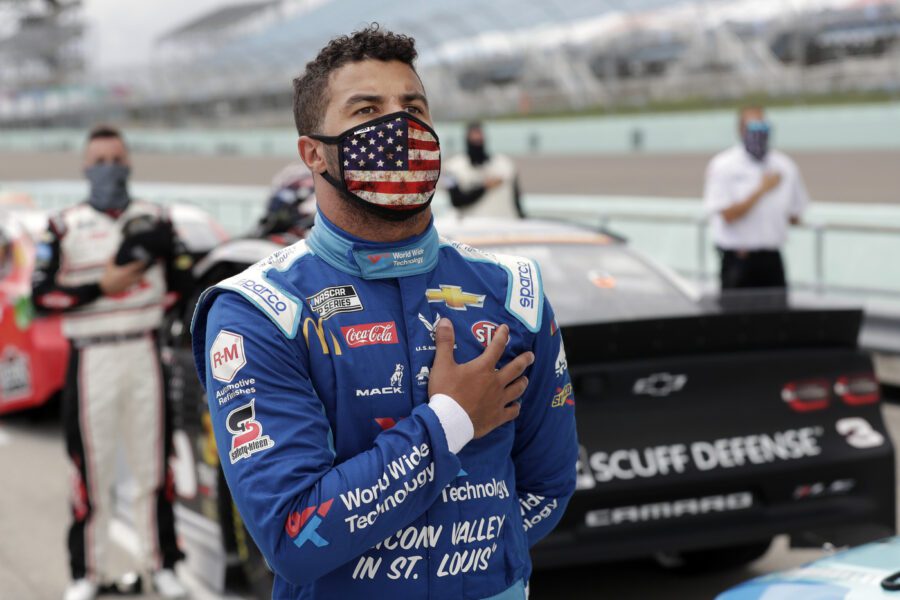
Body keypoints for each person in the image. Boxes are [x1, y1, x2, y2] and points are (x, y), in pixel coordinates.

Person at [191, 25, 577, 600]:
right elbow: (293, 537)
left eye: (412, 107)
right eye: (367, 109)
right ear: (313, 153)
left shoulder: (513, 289)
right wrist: (451, 420)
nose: (399, 126)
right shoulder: (259, 313)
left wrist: (468, 561)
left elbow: (549, 483)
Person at [31, 126, 189, 600]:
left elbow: (182, 280)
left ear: (128, 162)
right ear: (84, 166)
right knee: (89, 471)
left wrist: (146, 273)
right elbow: (41, 296)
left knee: (153, 467)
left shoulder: (156, 218)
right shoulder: (62, 225)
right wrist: (104, 286)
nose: (108, 168)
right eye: (98, 160)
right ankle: (86, 573)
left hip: (143, 349)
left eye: (115, 159)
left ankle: (161, 564)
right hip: (90, 357)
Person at [703, 106, 811, 290]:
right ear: (741, 130)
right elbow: (727, 214)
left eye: (764, 129)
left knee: (777, 316)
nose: (759, 134)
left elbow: (795, 214)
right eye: (754, 129)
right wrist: (761, 190)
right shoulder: (724, 165)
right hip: (738, 259)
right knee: (736, 316)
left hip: (772, 258)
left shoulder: (784, 165)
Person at [443, 121, 524, 219]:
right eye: (473, 137)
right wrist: (484, 187)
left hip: (507, 223)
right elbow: (456, 201)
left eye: (479, 136)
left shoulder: (507, 165)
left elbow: (517, 199)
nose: (477, 139)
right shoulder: (449, 168)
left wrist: (523, 219)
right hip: (471, 226)